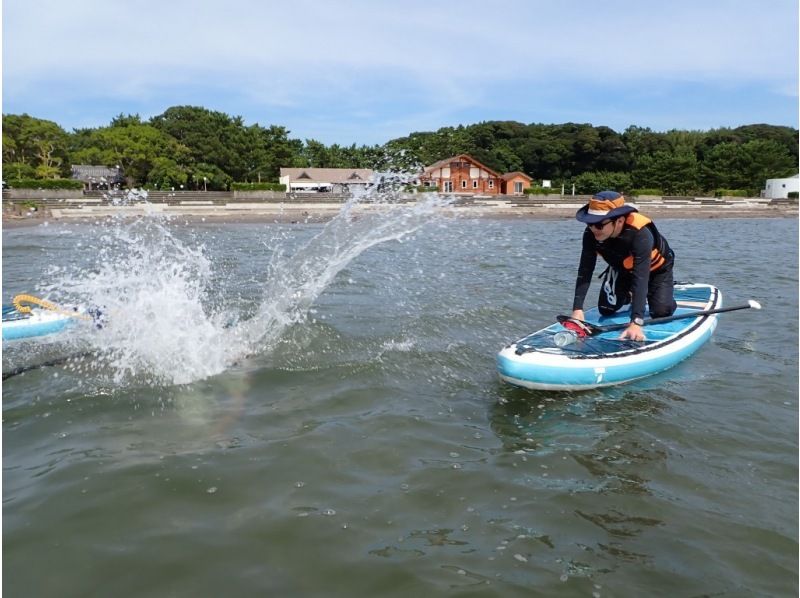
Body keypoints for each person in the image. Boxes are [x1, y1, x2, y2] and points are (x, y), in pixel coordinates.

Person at [571, 190, 676, 341]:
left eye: (599, 225)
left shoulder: (641, 234)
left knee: (661, 312)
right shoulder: (591, 234)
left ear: (619, 221)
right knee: (606, 310)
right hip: (622, 269)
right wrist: (577, 309)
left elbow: (641, 277)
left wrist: (636, 322)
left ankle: (660, 291)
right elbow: (585, 270)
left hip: (656, 271)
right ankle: (628, 295)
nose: (593, 229)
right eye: (590, 223)